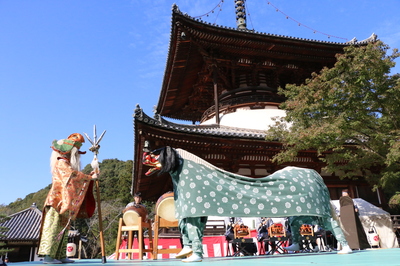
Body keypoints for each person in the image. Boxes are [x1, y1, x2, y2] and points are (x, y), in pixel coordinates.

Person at [38, 133, 97, 264]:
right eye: (75, 152)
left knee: (64, 228)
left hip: (63, 201)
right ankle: (48, 257)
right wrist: (88, 178)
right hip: (56, 201)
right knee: (53, 227)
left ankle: (59, 255)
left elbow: (75, 176)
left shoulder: (65, 163)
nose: (76, 156)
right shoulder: (61, 162)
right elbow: (71, 177)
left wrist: (88, 176)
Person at [124, 192, 147, 258]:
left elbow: (145, 215)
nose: (138, 199)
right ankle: (127, 254)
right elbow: (125, 212)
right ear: (134, 198)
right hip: (131, 223)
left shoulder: (143, 206)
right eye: (137, 197)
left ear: (141, 199)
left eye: (139, 198)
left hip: (139, 224)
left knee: (140, 238)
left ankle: (143, 254)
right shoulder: (129, 205)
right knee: (130, 238)